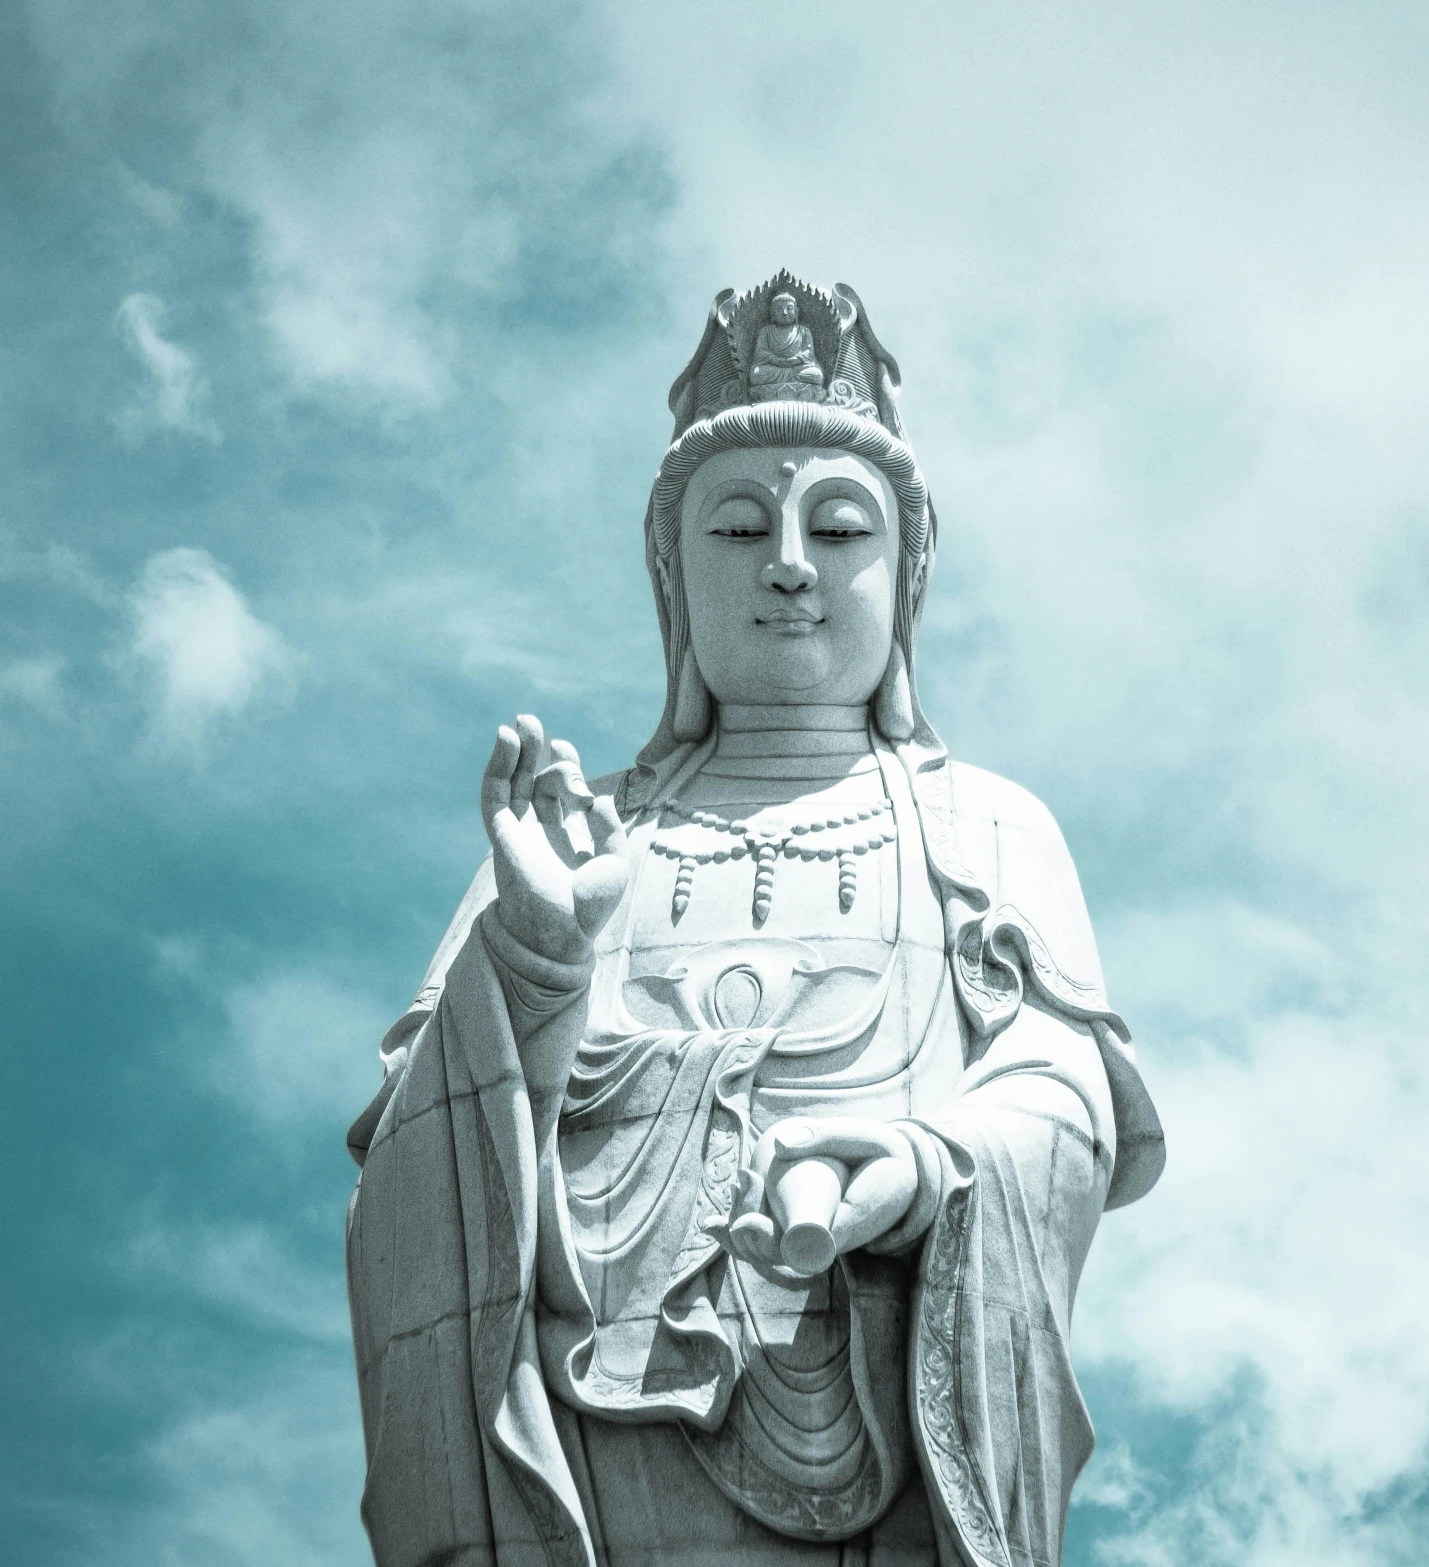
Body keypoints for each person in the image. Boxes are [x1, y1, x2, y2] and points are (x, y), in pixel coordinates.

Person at [344, 276, 1164, 1567]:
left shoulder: (992, 829)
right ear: (673, 575)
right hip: (592, 1484)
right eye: (738, 529)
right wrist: (532, 963)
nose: (788, 563)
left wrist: (923, 1165)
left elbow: (1068, 1103)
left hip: (879, 1438)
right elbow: (412, 1171)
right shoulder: (579, 830)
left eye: (837, 528)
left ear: (905, 576)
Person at [747, 291, 828, 399]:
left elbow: (809, 353)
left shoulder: (804, 331)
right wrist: (775, 359)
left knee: (817, 375)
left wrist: (796, 359)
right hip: (773, 368)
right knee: (755, 375)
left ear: (796, 312)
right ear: (772, 313)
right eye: (779, 309)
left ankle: (788, 376)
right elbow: (761, 352)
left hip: (798, 368)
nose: (784, 312)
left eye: (789, 308)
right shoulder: (765, 331)